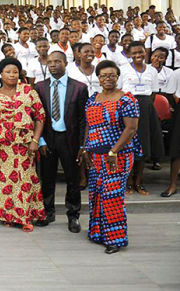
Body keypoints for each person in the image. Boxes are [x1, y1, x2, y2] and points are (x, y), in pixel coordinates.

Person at [82, 60, 140, 254]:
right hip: (96, 155)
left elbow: (131, 129)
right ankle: (99, 233)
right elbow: (89, 125)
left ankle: (115, 239)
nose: (108, 79)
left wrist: (114, 151)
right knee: (96, 194)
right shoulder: (93, 99)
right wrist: (85, 147)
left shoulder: (127, 99)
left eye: (112, 75)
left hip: (118, 156)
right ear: (98, 78)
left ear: (118, 77)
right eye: (104, 76)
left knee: (112, 196)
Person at [0, 58, 46, 232]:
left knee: (25, 179)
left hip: (26, 145)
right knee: (6, 179)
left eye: (15, 72)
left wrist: (35, 140)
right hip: (5, 146)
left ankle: (26, 216)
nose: (12, 75)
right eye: (8, 72)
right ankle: (8, 215)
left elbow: (40, 117)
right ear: (1, 74)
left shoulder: (28, 92)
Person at [34, 51, 89, 232]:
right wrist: (40, 140)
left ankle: (73, 216)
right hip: (48, 139)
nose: (53, 65)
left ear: (66, 63)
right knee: (47, 178)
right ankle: (47, 212)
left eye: (57, 61)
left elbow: (83, 119)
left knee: (72, 179)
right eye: (49, 62)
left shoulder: (79, 88)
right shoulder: (40, 87)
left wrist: (82, 145)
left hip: (69, 139)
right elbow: (37, 116)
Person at [118, 41, 162, 196]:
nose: (138, 55)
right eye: (134, 53)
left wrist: (145, 107)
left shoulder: (152, 70)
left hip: (145, 108)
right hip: (127, 108)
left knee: (143, 146)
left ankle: (138, 182)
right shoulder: (123, 69)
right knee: (128, 146)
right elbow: (119, 91)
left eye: (141, 52)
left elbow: (154, 93)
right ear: (129, 54)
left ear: (145, 53)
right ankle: (128, 182)